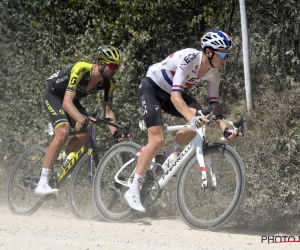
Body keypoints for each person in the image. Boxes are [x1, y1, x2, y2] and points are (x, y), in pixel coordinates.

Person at [125, 30, 238, 212]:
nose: (226, 59)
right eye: (223, 54)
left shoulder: (214, 74)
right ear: (209, 52)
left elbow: (214, 107)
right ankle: (133, 190)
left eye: (228, 54)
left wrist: (224, 126)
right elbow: (177, 97)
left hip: (170, 93)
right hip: (152, 88)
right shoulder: (188, 57)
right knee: (157, 140)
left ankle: (170, 155)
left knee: (200, 112)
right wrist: (191, 119)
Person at [35, 44, 125, 196]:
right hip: (54, 95)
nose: (114, 70)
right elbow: (66, 103)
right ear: (101, 63)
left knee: (85, 133)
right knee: (63, 131)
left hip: (71, 100)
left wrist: (116, 133)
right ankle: (42, 182)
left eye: (117, 66)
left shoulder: (109, 83)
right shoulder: (82, 68)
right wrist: (82, 119)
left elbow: (108, 112)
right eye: (112, 65)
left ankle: (60, 161)